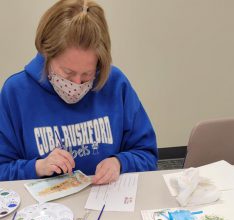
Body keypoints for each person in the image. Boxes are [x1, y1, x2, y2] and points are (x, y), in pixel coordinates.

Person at [0, 0, 158, 184]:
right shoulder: (16, 92)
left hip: (106, 204)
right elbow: (2, 169)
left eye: (87, 74)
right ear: (46, 54)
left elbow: (147, 154)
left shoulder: (115, 84)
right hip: (43, 210)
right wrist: (38, 167)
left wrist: (120, 162)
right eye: (67, 73)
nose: (76, 83)